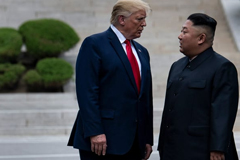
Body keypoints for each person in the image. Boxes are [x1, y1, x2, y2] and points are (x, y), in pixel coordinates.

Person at [68, 0, 153, 160]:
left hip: (135, 142)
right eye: (140, 19)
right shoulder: (94, 44)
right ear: (122, 19)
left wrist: (147, 138)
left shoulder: (142, 52)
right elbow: (87, 92)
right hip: (102, 140)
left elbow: (145, 98)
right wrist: (95, 131)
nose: (144, 24)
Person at [158, 13, 239, 160]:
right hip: (172, 149)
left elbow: (223, 112)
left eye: (184, 31)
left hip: (202, 151)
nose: (179, 36)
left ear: (201, 38)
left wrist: (217, 149)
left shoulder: (222, 67)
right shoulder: (177, 66)